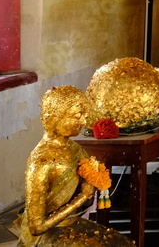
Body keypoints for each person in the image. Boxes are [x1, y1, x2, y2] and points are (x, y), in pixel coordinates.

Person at [15, 86, 133, 247]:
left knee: (122, 243)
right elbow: (36, 227)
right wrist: (83, 197)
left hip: (68, 223)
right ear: (56, 117)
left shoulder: (73, 148)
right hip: (43, 237)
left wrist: (95, 176)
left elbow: (87, 178)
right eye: (77, 116)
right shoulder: (41, 162)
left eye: (84, 116)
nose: (83, 122)